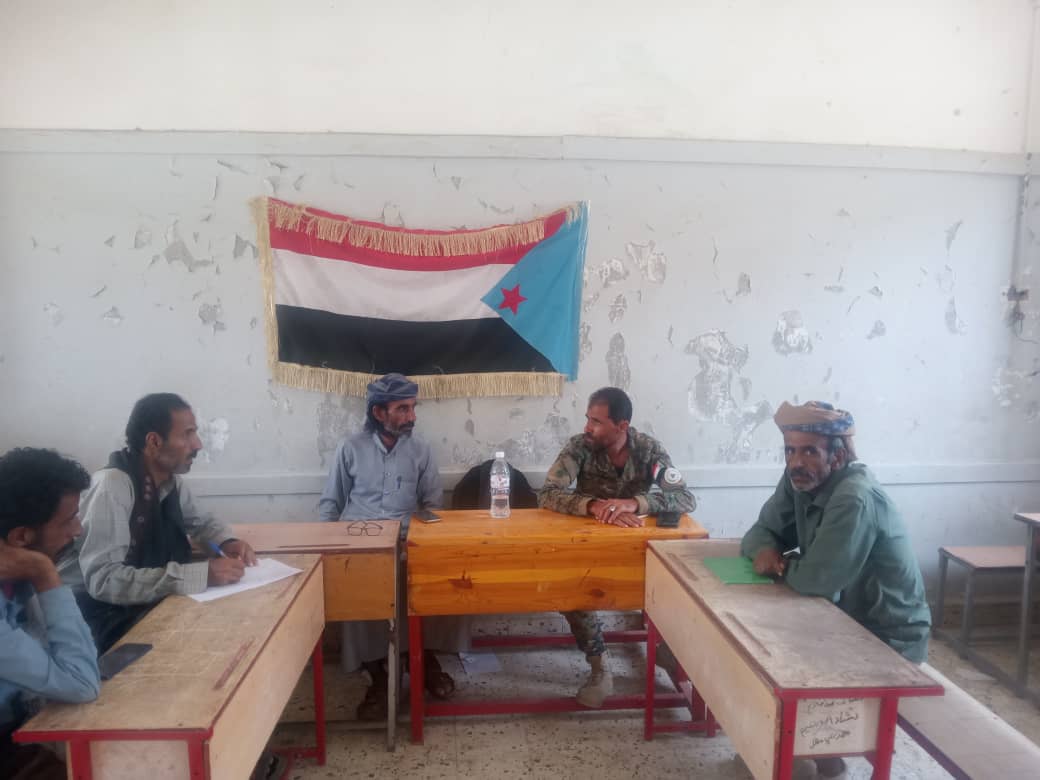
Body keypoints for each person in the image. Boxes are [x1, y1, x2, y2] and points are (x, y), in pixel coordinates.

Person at [740, 400, 931, 780]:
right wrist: (766, 549)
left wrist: (779, 562)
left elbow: (817, 581)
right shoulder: (799, 479)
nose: (796, 462)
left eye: (809, 451)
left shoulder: (853, 496)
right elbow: (759, 533)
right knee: (749, 639)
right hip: (843, 617)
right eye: (790, 451)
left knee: (772, 649)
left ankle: (803, 750)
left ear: (838, 456)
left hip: (886, 637)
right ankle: (803, 750)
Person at [319, 373, 468, 721]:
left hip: (406, 540)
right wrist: (328, 548)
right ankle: (378, 676)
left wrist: (421, 543)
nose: (411, 417)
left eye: (413, 408)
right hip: (360, 542)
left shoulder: (421, 450)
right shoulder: (350, 448)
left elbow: (432, 505)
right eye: (402, 409)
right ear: (378, 412)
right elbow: (331, 503)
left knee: (440, 585)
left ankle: (424, 660)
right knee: (358, 596)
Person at [59, 393, 256, 654]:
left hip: (132, 607)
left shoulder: (169, 481)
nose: (197, 444)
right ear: (154, 441)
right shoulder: (112, 486)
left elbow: (202, 522)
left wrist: (227, 541)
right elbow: (103, 580)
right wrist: (201, 575)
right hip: (92, 619)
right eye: (187, 434)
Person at [539, 386, 696, 707]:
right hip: (589, 544)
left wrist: (635, 503)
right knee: (573, 589)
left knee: (677, 579)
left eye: (596, 421)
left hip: (635, 546)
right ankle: (599, 664)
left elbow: (684, 497)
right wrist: (593, 505)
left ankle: (669, 647)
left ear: (622, 426)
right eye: (588, 419)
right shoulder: (580, 446)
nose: (588, 427)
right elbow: (548, 493)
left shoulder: (648, 450)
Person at [0, 448, 100, 780]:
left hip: (18, 722)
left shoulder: (16, 576)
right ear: (21, 537)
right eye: (68, 520)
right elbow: (81, 682)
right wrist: (45, 573)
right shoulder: (34, 570)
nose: (78, 529)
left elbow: (75, 661)